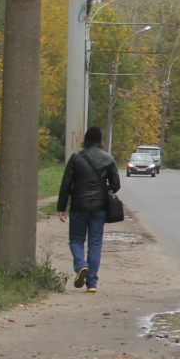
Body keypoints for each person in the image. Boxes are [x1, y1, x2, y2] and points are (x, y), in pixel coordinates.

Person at [56, 125, 121, 293]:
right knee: (95, 243)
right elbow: (115, 185)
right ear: (100, 141)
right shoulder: (108, 158)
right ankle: (92, 283)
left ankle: (80, 265)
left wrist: (61, 207)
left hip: (78, 206)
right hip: (99, 208)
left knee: (76, 240)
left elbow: (66, 184)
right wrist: (105, 192)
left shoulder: (76, 158)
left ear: (86, 139)